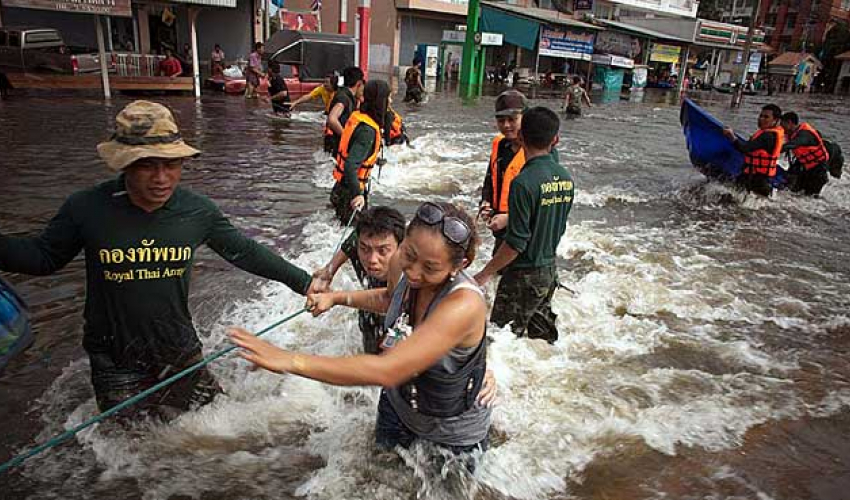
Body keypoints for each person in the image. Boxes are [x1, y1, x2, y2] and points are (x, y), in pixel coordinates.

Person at [0, 101, 324, 419]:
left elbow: (245, 252)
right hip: (115, 358)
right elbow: (43, 258)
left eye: (171, 164)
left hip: (178, 346)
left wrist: (305, 282)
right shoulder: (87, 208)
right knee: (129, 454)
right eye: (146, 165)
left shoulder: (197, 211)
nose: (161, 178)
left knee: (212, 428)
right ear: (124, 164)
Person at [231, 201, 492, 455]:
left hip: (451, 433)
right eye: (409, 254)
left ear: (460, 266)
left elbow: (388, 370)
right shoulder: (399, 262)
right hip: (397, 406)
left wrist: (289, 360)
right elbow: (391, 299)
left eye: (430, 268)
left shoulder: (463, 303)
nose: (412, 271)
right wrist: (336, 298)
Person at [475, 107, 574, 344]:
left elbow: (516, 243)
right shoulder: (565, 178)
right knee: (539, 341)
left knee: (499, 341)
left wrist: (484, 274)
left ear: (520, 137)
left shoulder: (523, 183)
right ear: (555, 139)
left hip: (521, 275)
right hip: (548, 272)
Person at [329, 79, 390, 224]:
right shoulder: (367, 131)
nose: (390, 101)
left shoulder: (361, 118)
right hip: (350, 195)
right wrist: (358, 195)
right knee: (359, 239)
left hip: (342, 188)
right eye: (388, 97)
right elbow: (350, 165)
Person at [479, 90, 528, 254]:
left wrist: (509, 218)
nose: (506, 125)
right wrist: (485, 202)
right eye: (501, 120)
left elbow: (541, 202)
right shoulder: (500, 146)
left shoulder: (537, 150)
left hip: (525, 235)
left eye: (512, 119)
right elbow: (490, 180)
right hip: (502, 231)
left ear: (525, 118)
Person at [723, 104, 784, 197]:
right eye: (761, 116)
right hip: (754, 176)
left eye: (766, 117)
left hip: (757, 180)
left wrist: (731, 137)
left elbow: (744, 149)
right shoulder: (767, 133)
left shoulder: (768, 136)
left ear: (775, 121)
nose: (761, 119)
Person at [780, 112, 830, 196]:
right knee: (793, 193)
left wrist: (773, 151)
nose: (781, 128)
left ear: (790, 123)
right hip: (804, 168)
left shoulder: (805, 134)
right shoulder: (791, 134)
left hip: (818, 171)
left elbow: (792, 144)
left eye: (782, 125)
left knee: (810, 198)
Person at [324, 66, 365, 156]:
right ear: (359, 83)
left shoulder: (348, 96)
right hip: (336, 144)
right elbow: (332, 119)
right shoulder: (343, 98)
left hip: (337, 144)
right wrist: (347, 137)